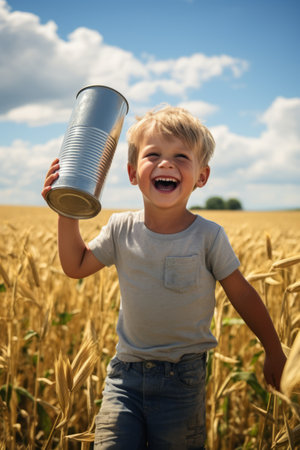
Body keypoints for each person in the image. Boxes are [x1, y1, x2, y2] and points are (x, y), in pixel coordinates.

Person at [42, 106, 286, 450]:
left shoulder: (208, 236)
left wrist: (273, 349)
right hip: (123, 376)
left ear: (202, 176)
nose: (166, 164)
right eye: (153, 154)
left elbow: (242, 294)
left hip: (182, 383)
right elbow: (75, 265)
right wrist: (67, 206)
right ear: (131, 172)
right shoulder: (120, 228)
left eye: (181, 157)